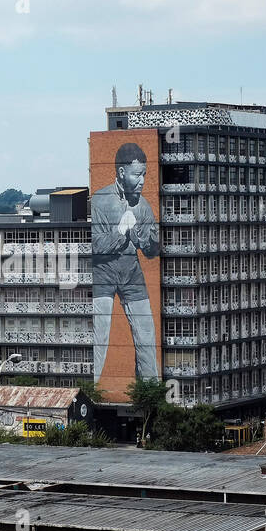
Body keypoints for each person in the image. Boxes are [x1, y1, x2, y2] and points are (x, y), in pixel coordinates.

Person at [92, 142, 160, 382]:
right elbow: (95, 247)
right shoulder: (99, 200)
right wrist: (120, 232)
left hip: (131, 272)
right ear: (122, 173)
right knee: (98, 337)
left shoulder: (144, 206)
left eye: (144, 174)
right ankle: (88, 395)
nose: (142, 180)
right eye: (136, 174)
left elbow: (152, 252)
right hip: (102, 274)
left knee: (147, 334)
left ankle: (151, 393)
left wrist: (146, 239)